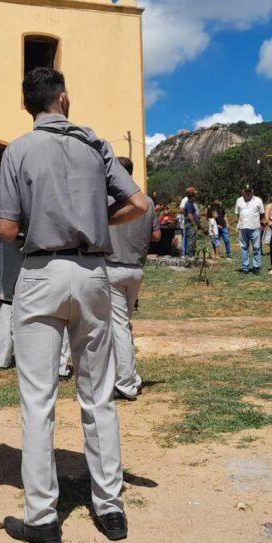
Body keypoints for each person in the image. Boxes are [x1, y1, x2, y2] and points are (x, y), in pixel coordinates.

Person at [0, 67, 148, 543]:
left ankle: (42, 516)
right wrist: (97, 219)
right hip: (92, 272)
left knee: (38, 399)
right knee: (97, 393)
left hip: (41, 271)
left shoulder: (17, 150)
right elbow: (140, 204)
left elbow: (4, 230)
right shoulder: (95, 145)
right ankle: (110, 507)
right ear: (63, 99)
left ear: (30, 106)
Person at [105, 156, 159, 402]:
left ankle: (125, 382)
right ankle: (131, 376)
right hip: (136, 269)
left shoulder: (106, 200)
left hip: (111, 268)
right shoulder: (146, 201)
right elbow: (157, 235)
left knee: (118, 328)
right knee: (124, 325)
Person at [235, 185, 265, 274]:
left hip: (255, 227)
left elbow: (262, 214)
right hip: (243, 228)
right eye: (246, 191)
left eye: (249, 191)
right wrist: (240, 224)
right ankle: (245, 267)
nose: (247, 192)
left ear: (252, 191)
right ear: (243, 191)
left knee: (256, 248)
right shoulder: (239, 200)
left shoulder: (258, 200)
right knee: (244, 248)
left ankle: (256, 267)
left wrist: (261, 223)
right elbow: (237, 214)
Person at [182, 187, 199, 257]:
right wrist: (194, 224)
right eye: (194, 195)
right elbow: (189, 215)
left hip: (190, 224)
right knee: (191, 240)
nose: (196, 197)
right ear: (192, 196)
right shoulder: (189, 204)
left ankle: (191, 254)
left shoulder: (191, 203)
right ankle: (190, 255)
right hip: (190, 224)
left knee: (192, 239)